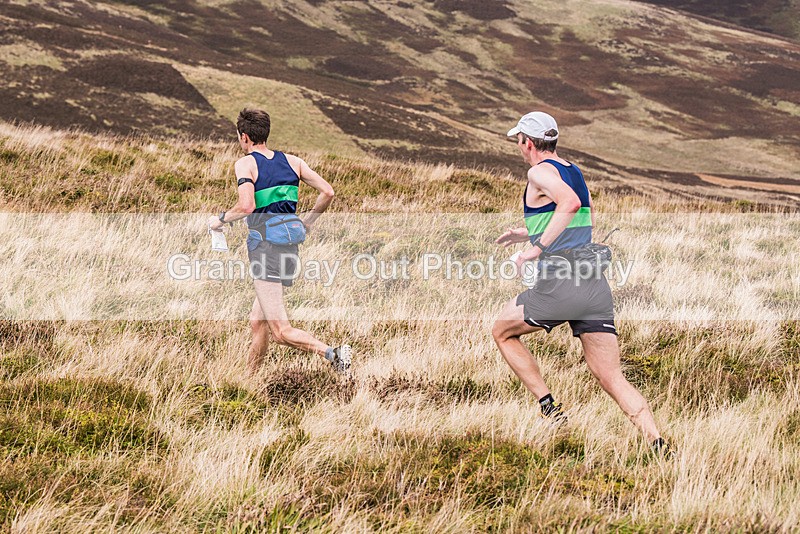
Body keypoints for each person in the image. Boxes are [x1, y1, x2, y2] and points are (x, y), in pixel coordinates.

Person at [492, 111, 669, 454]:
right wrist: (526, 231)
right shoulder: (571, 169)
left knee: (501, 330)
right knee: (610, 375)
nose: (518, 144)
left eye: (519, 139)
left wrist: (533, 250)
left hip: (562, 282)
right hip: (593, 284)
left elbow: (569, 205)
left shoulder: (538, 171)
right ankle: (656, 441)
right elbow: (574, 215)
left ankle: (549, 409)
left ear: (527, 142)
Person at [209, 108, 351, 376]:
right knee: (257, 321)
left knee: (280, 331)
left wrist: (220, 220)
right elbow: (328, 192)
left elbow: (247, 206)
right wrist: (305, 225)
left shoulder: (246, 164)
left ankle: (333, 353)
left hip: (266, 251)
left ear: (245, 137)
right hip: (288, 248)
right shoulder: (293, 161)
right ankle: (249, 380)